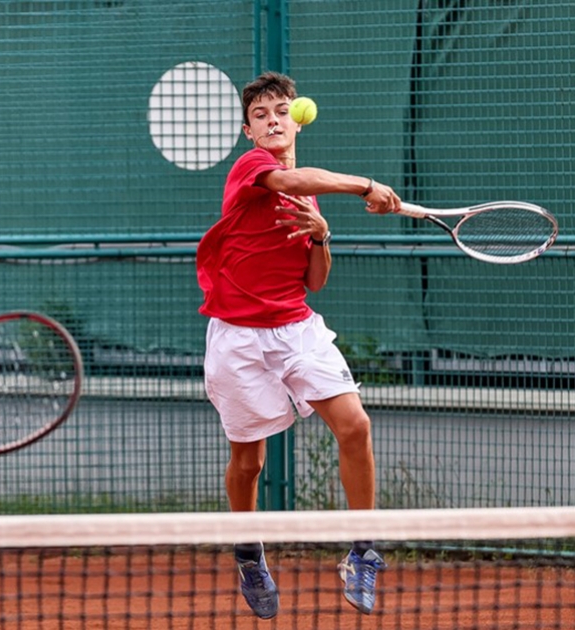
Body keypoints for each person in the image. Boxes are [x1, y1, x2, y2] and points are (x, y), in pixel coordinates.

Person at [196, 71, 401, 619]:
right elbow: (290, 181)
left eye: (281, 111)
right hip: (238, 337)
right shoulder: (254, 169)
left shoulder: (308, 191)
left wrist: (321, 236)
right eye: (261, 115)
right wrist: (365, 185)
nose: (273, 120)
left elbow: (316, 281)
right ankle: (248, 551)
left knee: (355, 425)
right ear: (248, 132)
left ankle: (362, 550)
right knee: (249, 462)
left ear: (296, 119)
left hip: (296, 329)